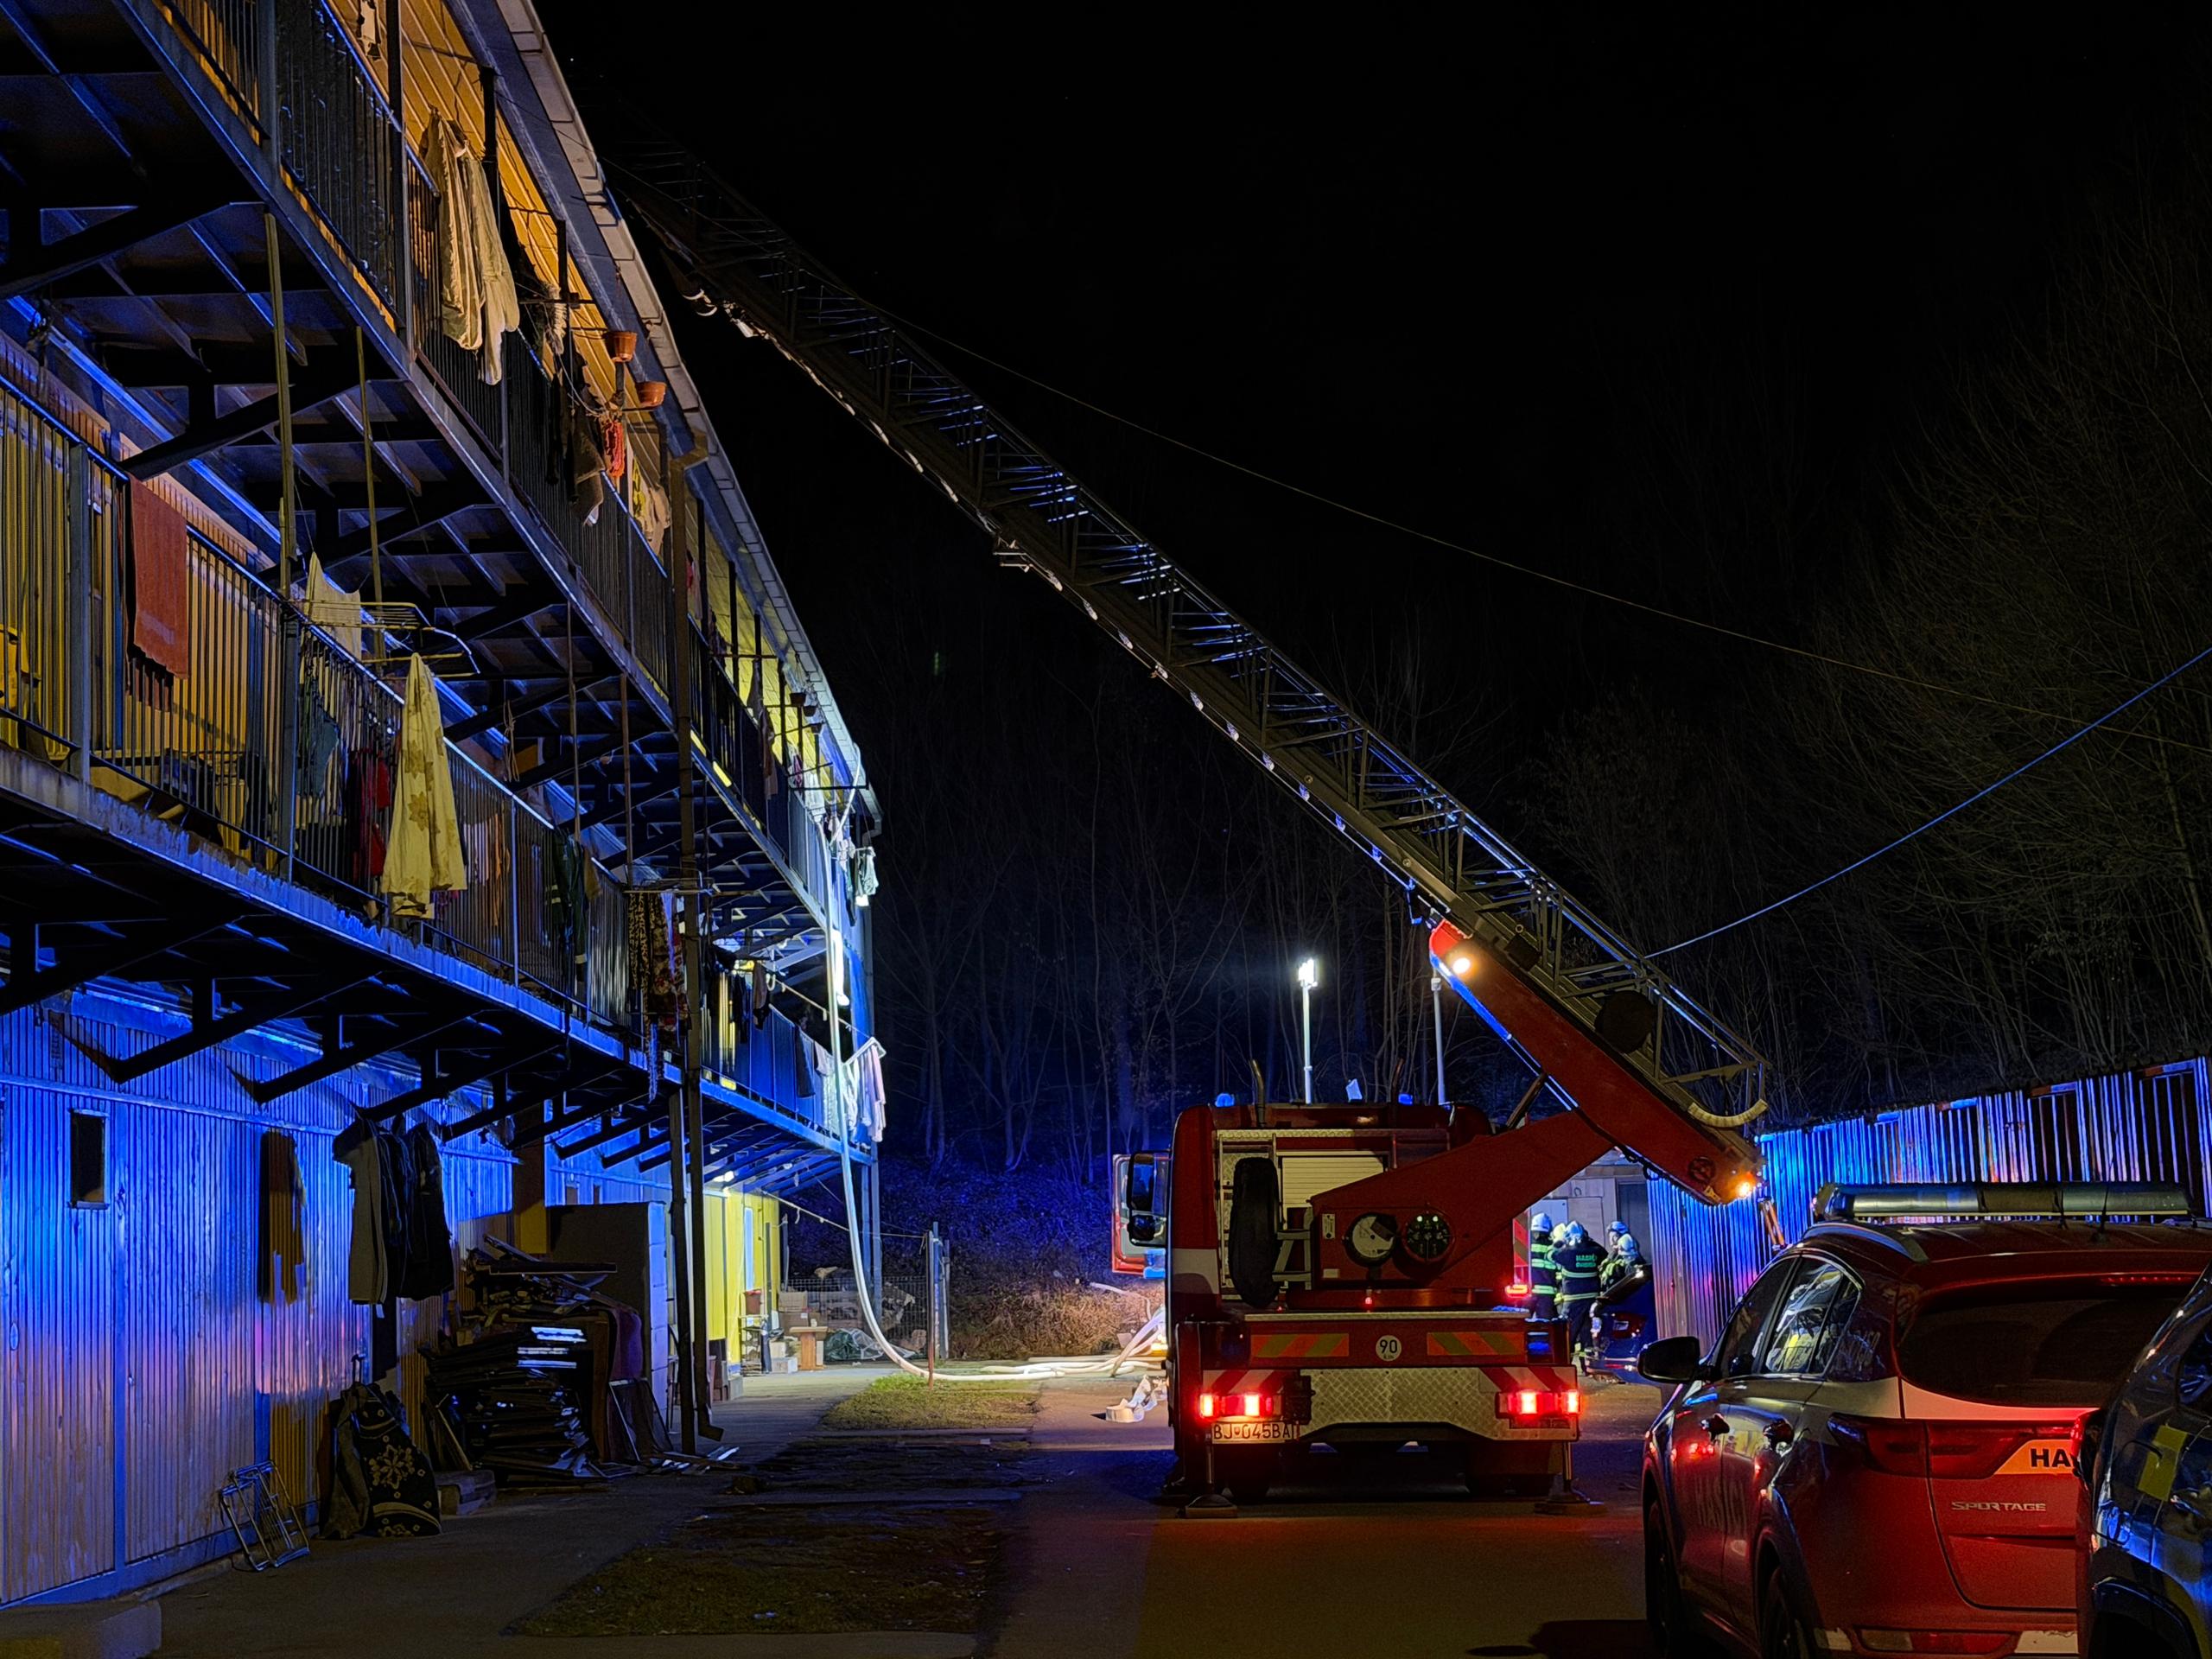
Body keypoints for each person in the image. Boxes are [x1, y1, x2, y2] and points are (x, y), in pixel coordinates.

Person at [1554, 1221, 1608, 1364]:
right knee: (1587, 1335)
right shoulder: (1595, 1250)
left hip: (1573, 1301)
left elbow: (1552, 1255)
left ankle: (1565, 1364)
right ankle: (1589, 1365)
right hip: (1592, 1300)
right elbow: (1604, 1253)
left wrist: (1560, 1242)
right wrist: (1588, 1241)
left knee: (1569, 1334)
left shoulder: (1567, 1252)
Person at [1528, 1211, 1559, 1322]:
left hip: (1528, 1292)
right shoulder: (1553, 1245)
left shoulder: (1525, 1243)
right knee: (1546, 1325)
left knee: (1521, 1323)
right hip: (1547, 1294)